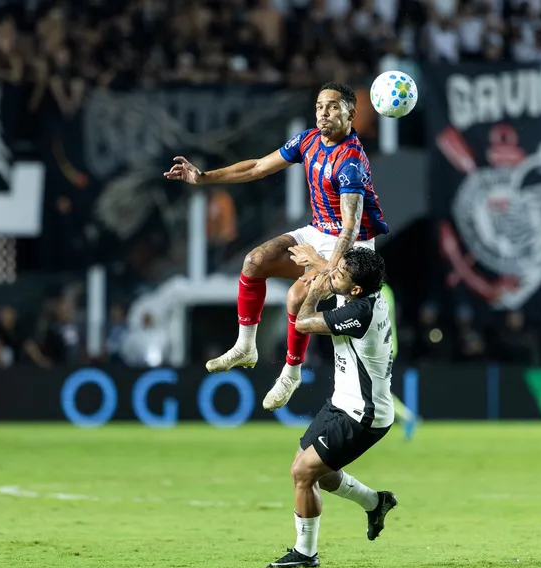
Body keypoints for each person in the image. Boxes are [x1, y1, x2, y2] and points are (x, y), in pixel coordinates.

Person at [164, 82, 388, 409]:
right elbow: (256, 166)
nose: (324, 113)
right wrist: (204, 177)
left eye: (333, 107)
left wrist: (324, 269)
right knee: (254, 261)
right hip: (319, 230)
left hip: (352, 246)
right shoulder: (308, 140)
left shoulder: (350, 161)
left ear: (351, 115)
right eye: (319, 106)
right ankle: (245, 346)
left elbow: (350, 228)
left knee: (299, 297)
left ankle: (292, 372)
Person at [264, 246, 397, 568]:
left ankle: (306, 553)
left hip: (362, 416)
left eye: (339, 274)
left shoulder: (359, 312)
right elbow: (341, 278)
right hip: (343, 403)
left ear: (355, 289)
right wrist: (321, 264)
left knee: (302, 473)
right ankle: (375, 502)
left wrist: (315, 287)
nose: (332, 273)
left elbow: (303, 323)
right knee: (317, 474)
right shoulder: (361, 293)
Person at [380, 283, 418, 440]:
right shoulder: (386, 289)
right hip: (387, 344)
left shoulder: (374, 290)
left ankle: (407, 417)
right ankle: (406, 417)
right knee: (374, 389)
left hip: (381, 347)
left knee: (376, 390)